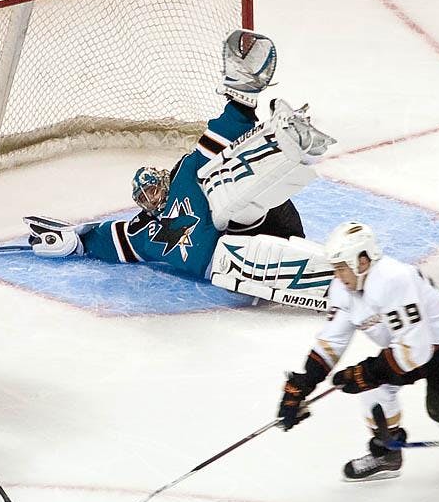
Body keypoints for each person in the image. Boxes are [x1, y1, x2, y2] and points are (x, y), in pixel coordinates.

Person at [24, 29, 337, 308]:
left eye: (152, 188)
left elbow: (217, 139)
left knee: (219, 187)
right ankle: (335, 276)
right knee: (232, 246)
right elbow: (109, 238)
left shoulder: (184, 176)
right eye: (143, 196)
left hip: (269, 217)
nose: (150, 197)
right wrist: (74, 241)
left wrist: (242, 100)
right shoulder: (143, 232)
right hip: (230, 254)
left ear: (163, 179)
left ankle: (288, 143)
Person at [276, 221, 439, 480]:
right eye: (336, 268)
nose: (338, 275)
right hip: (417, 343)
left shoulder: (394, 279)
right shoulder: (343, 289)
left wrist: (366, 372)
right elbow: (332, 341)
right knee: (374, 388)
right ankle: (386, 453)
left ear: (363, 261)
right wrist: (303, 384)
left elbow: (416, 351)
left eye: (342, 267)